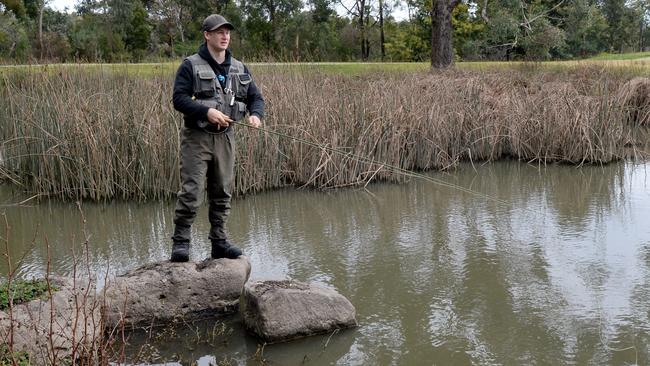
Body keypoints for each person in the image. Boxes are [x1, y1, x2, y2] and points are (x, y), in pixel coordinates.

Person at [170, 14, 264, 262]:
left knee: (222, 191)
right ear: (207, 35)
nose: (225, 36)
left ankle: (219, 243)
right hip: (196, 138)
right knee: (191, 192)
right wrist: (206, 111)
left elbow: (256, 98)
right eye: (219, 32)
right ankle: (181, 243)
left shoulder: (240, 67)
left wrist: (256, 115)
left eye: (227, 32)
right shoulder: (190, 65)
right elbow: (178, 99)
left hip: (226, 138)